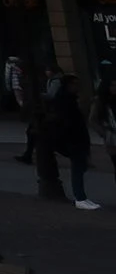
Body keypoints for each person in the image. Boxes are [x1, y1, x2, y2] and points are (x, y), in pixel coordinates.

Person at [45, 64, 97, 209]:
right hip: (73, 140)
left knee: (80, 168)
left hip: (76, 139)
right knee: (78, 169)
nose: (77, 87)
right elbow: (68, 123)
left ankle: (81, 197)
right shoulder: (65, 101)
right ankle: (80, 198)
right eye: (75, 84)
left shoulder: (69, 99)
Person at [9, 55, 34, 163]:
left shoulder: (28, 80)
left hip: (37, 110)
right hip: (36, 110)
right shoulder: (28, 78)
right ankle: (28, 155)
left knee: (33, 133)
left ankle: (28, 155)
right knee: (32, 133)